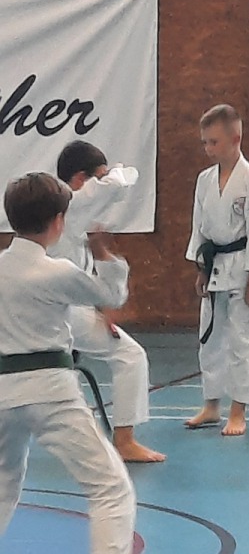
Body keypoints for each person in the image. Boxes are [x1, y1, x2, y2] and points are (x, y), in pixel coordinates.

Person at [0, 172, 136, 554]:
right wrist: (103, 255)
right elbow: (111, 295)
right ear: (59, 222)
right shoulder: (56, 271)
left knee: (2, 484)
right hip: (51, 395)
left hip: (2, 395)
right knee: (111, 488)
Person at [48, 140, 166, 463]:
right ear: (80, 180)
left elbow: (81, 277)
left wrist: (101, 303)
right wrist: (114, 173)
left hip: (58, 311)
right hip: (59, 313)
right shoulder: (70, 204)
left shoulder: (65, 213)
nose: (102, 184)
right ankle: (124, 441)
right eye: (97, 177)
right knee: (130, 355)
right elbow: (119, 183)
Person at [185, 104, 249, 436]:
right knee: (210, 337)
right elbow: (200, 229)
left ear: (235, 139)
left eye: (214, 142)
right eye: (205, 142)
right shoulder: (204, 180)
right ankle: (211, 405)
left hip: (246, 267)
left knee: (243, 340)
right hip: (216, 266)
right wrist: (200, 268)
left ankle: (238, 411)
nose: (208, 149)